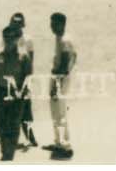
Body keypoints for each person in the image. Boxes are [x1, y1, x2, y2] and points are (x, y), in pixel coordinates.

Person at [0, 24, 29, 161]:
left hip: (17, 93)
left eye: (11, 37)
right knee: (0, 124)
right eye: (5, 37)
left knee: (14, 124)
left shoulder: (23, 56)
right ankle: (5, 150)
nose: (8, 40)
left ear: (17, 38)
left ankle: (9, 154)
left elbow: (28, 77)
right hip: (0, 92)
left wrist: (23, 95)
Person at [46, 12, 77, 160]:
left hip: (61, 78)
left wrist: (56, 85)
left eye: (55, 24)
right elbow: (75, 56)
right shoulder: (60, 38)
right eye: (51, 23)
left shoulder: (65, 40)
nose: (52, 26)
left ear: (62, 24)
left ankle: (66, 147)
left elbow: (64, 65)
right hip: (58, 76)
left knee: (60, 113)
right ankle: (58, 143)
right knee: (55, 112)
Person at [9, 13, 39, 148]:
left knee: (26, 109)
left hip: (24, 78)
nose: (16, 25)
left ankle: (30, 136)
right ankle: (12, 138)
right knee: (11, 109)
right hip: (11, 79)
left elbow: (31, 61)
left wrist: (28, 79)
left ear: (22, 24)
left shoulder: (28, 40)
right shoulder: (8, 39)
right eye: (14, 22)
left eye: (18, 22)